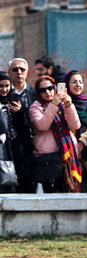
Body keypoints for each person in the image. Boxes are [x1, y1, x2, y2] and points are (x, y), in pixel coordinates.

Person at [29, 75, 81, 193]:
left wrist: (68, 106)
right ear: (38, 93)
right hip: (48, 160)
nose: (47, 92)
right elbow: (43, 125)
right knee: (50, 196)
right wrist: (53, 105)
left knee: (70, 193)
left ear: (55, 88)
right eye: (43, 90)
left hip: (68, 157)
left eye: (50, 88)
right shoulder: (35, 107)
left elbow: (75, 126)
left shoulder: (63, 105)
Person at [65, 70, 87, 192]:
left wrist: (81, 143)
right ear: (66, 85)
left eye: (80, 82)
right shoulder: (61, 104)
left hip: (86, 154)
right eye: (74, 82)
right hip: (66, 151)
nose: (78, 85)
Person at [7, 58, 37, 193]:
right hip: (8, 146)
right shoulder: (4, 92)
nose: (19, 72)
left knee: (30, 185)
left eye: (22, 69)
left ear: (27, 72)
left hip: (30, 145)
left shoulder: (35, 93)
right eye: (15, 69)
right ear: (9, 72)